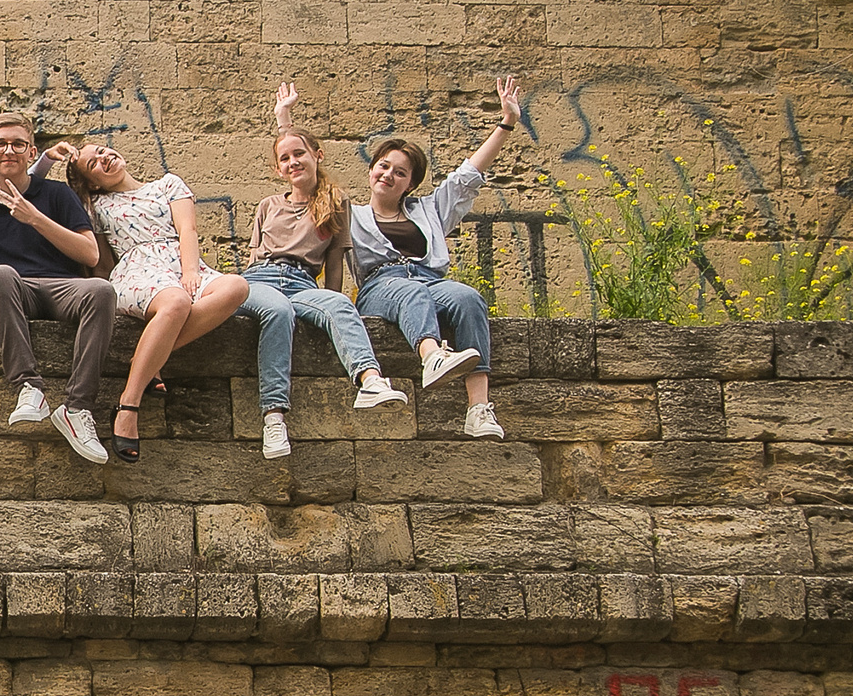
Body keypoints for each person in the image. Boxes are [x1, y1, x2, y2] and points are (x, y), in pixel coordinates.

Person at [235, 84, 411, 458]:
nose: (292, 162)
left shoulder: (335, 203)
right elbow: (253, 261)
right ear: (278, 169)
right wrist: (283, 118)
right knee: (277, 313)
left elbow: (335, 264)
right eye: (285, 159)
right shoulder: (268, 205)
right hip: (261, 280)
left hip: (301, 283)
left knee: (340, 304)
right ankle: (274, 419)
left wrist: (333, 297)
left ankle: (371, 381)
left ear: (318, 155)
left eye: (299, 154)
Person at [347, 74, 524, 440]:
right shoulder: (350, 215)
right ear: (371, 169)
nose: (388, 175)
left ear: (409, 183)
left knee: (467, 297)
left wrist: (505, 123)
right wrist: (285, 121)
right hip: (382, 286)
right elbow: (307, 178)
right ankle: (432, 357)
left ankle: (478, 409)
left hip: (430, 281)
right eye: (383, 166)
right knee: (411, 293)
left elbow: (468, 176)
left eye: (400, 172)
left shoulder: (429, 210)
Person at [63, 143, 251, 463]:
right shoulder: (95, 204)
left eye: (103, 151)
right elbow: (99, 259)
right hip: (137, 271)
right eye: (93, 163)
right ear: (91, 182)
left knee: (236, 286)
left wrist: (191, 271)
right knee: (177, 302)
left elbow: (187, 229)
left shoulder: (168, 184)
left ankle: (145, 360)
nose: (104, 158)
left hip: (182, 264)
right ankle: (128, 405)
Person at [0, 114, 115, 465]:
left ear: (31, 151)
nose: (9, 150)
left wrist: (34, 217)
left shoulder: (57, 194)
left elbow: (89, 253)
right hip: (15, 290)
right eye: (1, 144)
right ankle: (30, 388)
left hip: (64, 288)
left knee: (101, 291)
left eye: (18, 144)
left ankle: (77, 408)